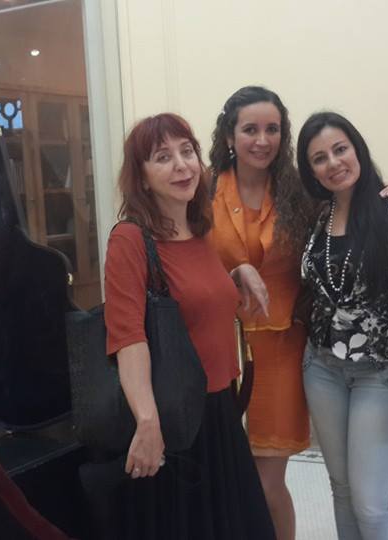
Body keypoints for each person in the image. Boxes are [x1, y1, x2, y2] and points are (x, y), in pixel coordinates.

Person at [207, 86, 388, 540]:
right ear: (229, 135)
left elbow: (351, 206)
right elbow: (187, 257)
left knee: (266, 483)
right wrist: (233, 271)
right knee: (226, 478)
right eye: (250, 129)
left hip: (282, 350)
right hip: (217, 350)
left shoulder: (301, 193)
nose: (262, 140)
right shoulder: (203, 191)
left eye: (273, 129)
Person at [103, 112, 276, 539]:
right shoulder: (130, 238)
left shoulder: (199, 232)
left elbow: (191, 297)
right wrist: (148, 422)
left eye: (187, 152)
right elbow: (128, 337)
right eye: (163, 157)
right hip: (173, 419)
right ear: (142, 178)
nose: (182, 166)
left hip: (218, 410)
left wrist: (236, 274)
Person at [295, 111, 388, 540]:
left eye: (340, 149)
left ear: (357, 149)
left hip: (379, 374)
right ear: (311, 170)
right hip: (322, 369)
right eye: (319, 158)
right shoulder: (317, 217)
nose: (333, 163)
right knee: (341, 491)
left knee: (372, 506)